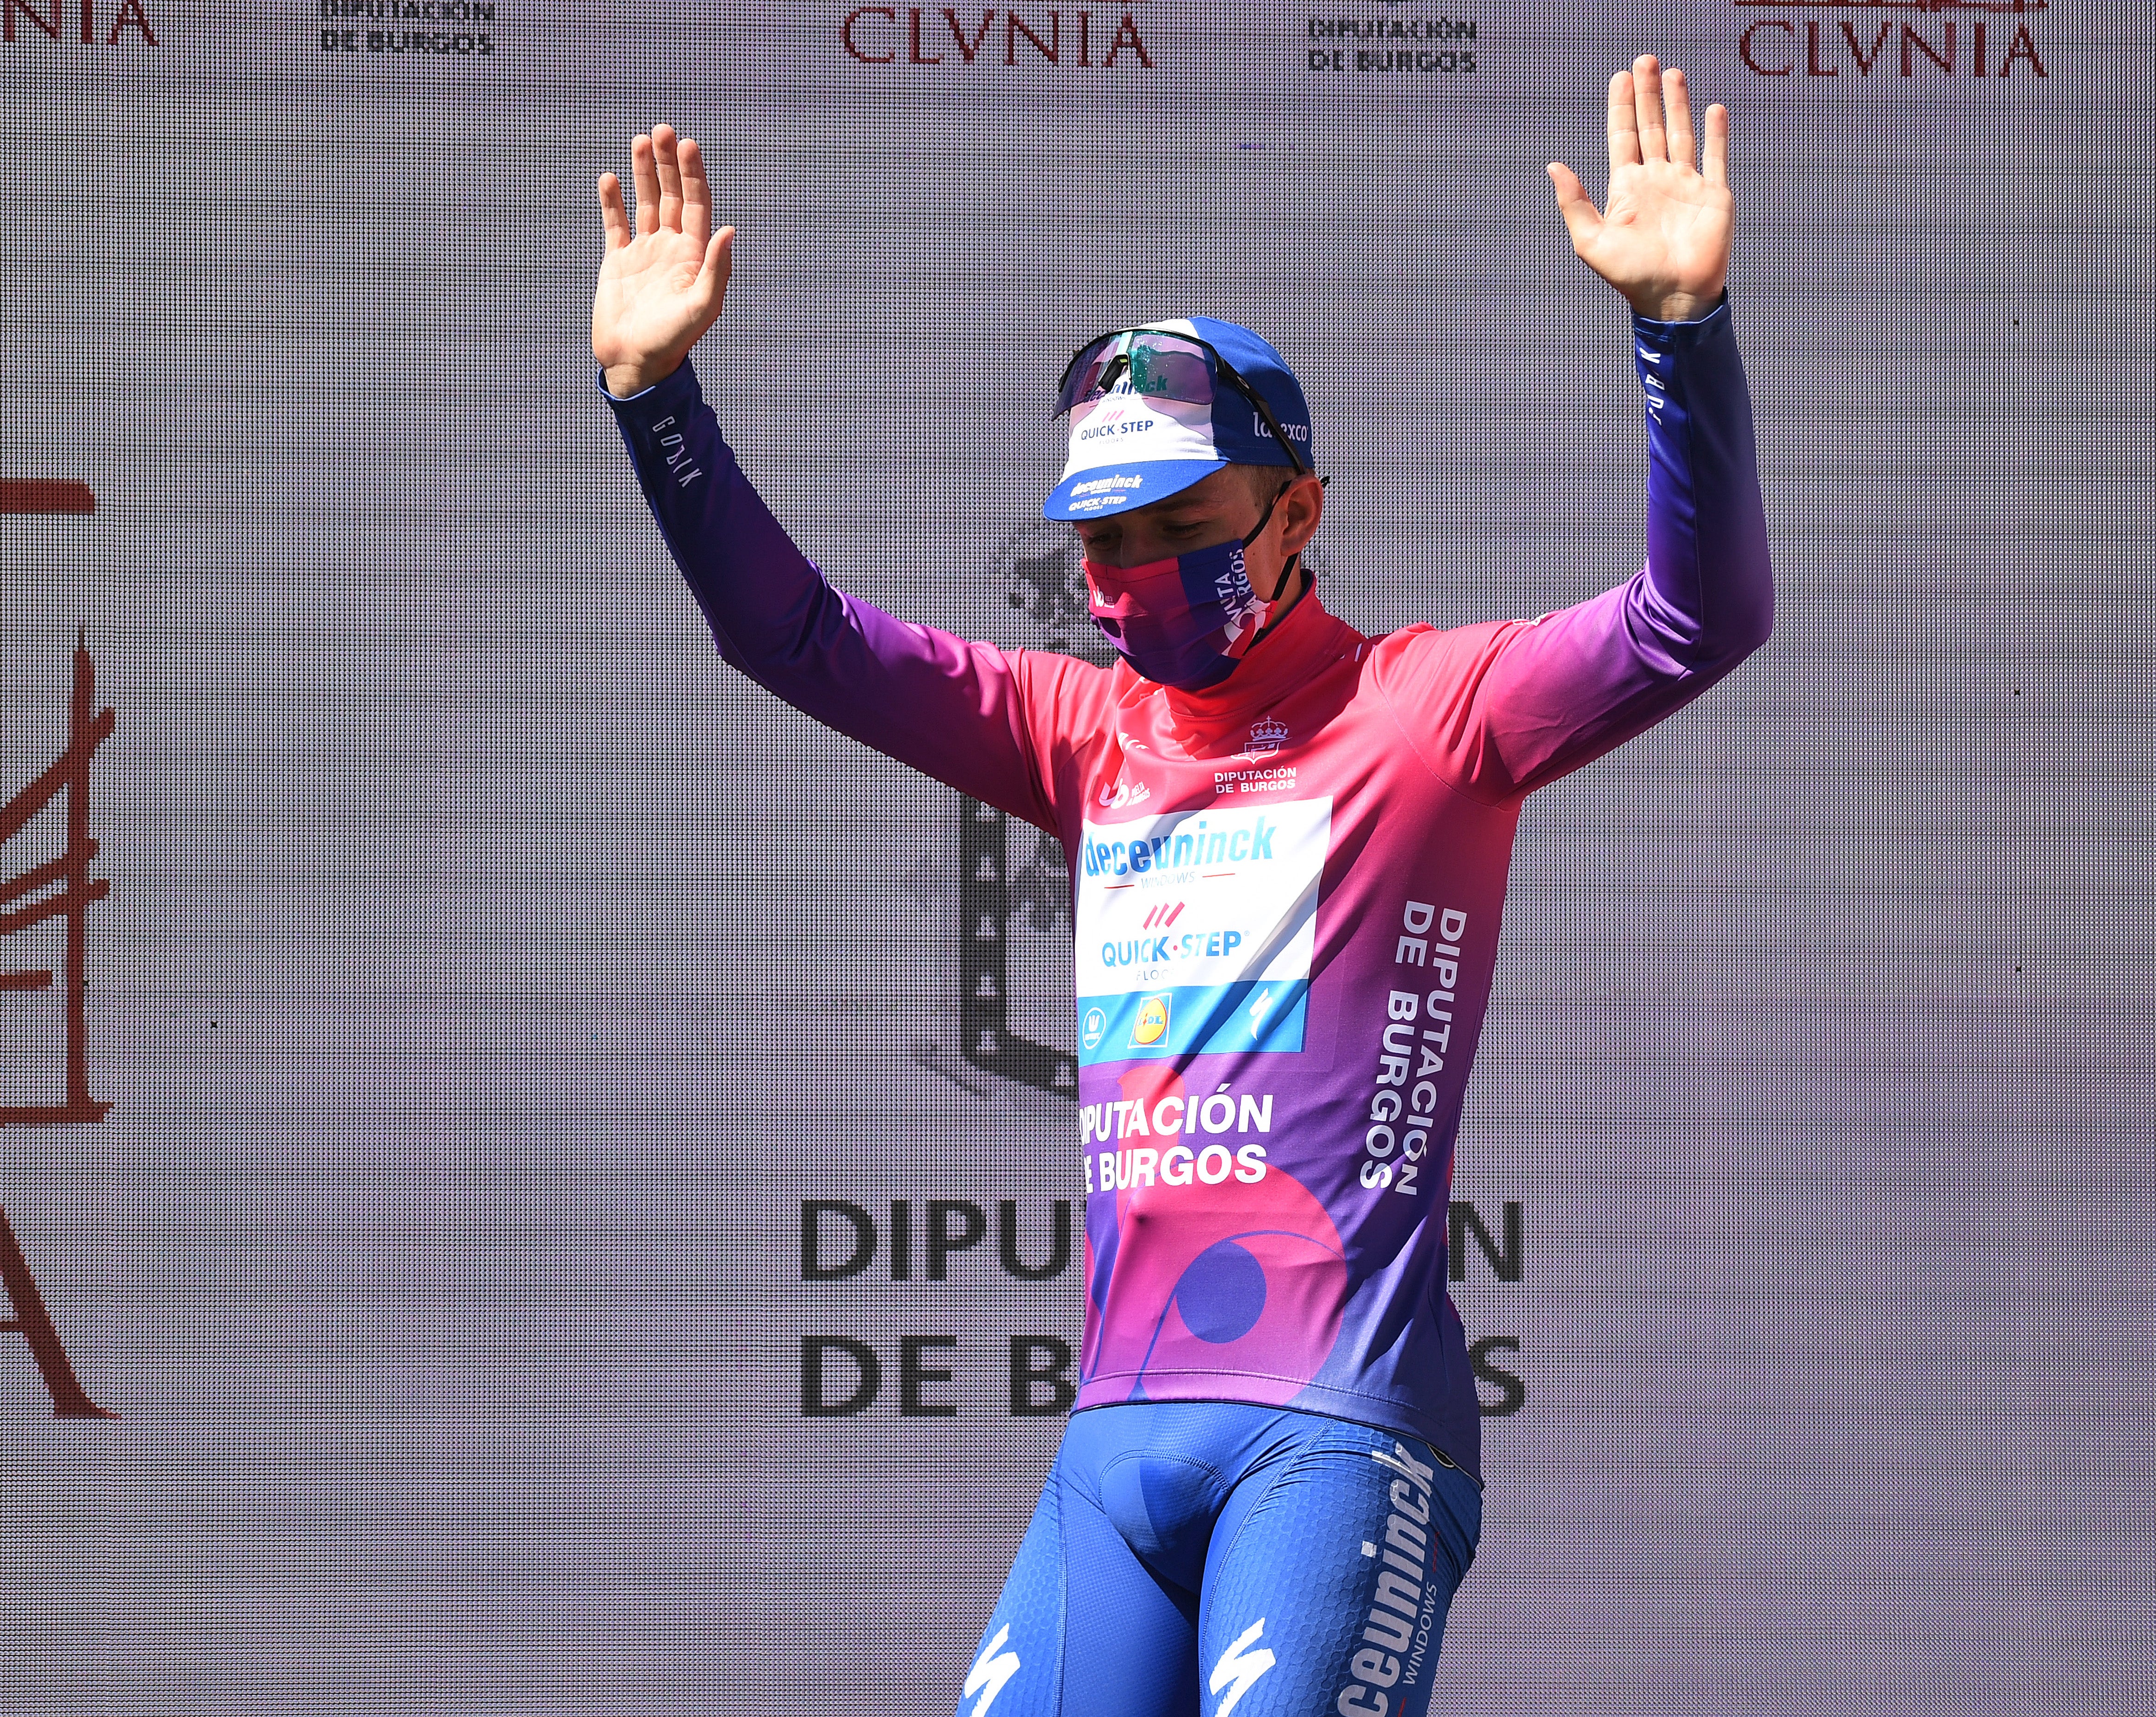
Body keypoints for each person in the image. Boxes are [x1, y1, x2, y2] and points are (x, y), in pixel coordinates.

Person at [592, 56, 1770, 1717]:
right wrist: (657, 404)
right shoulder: (1081, 730)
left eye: (1180, 522)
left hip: (1340, 1432)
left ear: (1298, 511)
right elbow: (790, 640)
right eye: (1104, 540)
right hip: (1114, 1451)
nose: (1134, 575)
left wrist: (1684, 332)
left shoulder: (1435, 710)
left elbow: (1692, 622)